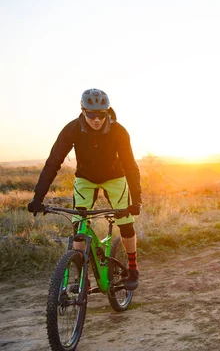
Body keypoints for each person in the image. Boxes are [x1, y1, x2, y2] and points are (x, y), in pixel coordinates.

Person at [27, 88, 142, 290]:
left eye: (101, 114)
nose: (96, 119)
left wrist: (136, 200)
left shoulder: (119, 131)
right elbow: (53, 162)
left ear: (107, 112)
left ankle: (133, 268)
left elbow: (131, 166)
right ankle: (82, 278)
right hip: (85, 179)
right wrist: (38, 197)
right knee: (79, 229)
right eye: (91, 114)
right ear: (82, 111)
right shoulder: (71, 129)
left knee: (125, 222)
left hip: (115, 178)